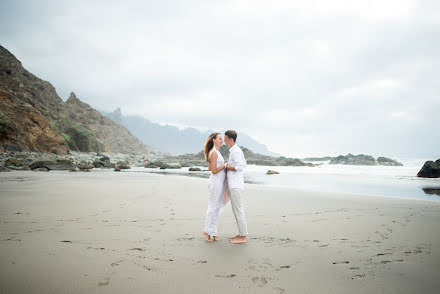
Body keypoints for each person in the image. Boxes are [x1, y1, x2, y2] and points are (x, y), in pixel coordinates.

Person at [202, 132, 231, 242]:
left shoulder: (216, 152)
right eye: (219, 139)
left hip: (219, 182)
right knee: (213, 207)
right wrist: (224, 165)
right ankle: (207, 231)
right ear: (213, 140)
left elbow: (211, 168)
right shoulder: (214, 152)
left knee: (216, 207)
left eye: (221, 139)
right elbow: (214, 171)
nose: (221, 140)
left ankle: (212, 231)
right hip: (216, 182)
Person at [224, 130, 248, 244]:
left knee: (238, 210)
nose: (224, 140)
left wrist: (229, 168)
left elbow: (241, 166)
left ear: (230, 139)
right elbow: (244, 163)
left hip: (236, 184)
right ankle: (241, 233)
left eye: (225, 138)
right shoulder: (234, 150)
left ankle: (243, 237)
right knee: (236, 210)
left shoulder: (236, 151)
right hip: (234, 184)